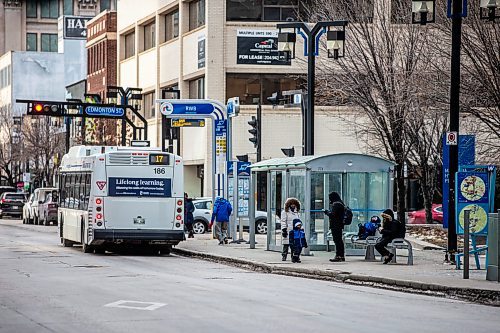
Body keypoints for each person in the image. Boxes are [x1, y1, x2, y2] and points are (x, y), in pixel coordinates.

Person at [324, 191, 346, 262]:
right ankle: (341, 255)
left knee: (337, 240)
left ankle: (338, 255)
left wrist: (327, 212)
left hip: (335, 225)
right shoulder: (341, 203)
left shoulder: (336, 204)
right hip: (339, 224)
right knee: (339, 240)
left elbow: (333, 215)